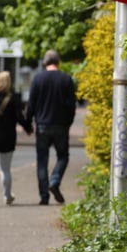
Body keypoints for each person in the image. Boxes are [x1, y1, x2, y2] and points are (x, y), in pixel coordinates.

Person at [26, 50, 77, 205]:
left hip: (42, 125)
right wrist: (68, 123)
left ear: (44, 63)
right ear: (58, 62)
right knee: (63, 156)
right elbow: (71, 106)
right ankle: (54, 181)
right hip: (61, 125)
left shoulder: (38, 79)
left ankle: (44, 197)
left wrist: (28, 124)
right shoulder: (66, 79)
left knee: (42, 160)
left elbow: (31, 105)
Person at [0, 71, 33, 208]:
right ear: (7, 83)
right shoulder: (12, 99)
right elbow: (20, 118)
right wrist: (28, 128)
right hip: (7, 139)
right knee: (5, 170)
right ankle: (7, 196)